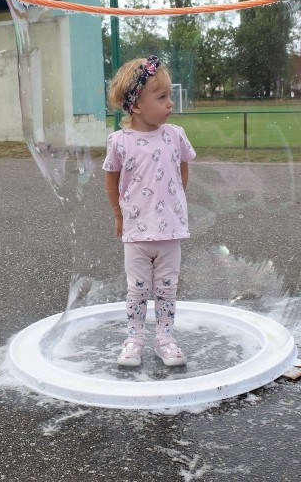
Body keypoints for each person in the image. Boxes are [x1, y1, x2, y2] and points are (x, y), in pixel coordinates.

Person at [102, 55, 196, 367]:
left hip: (169, 231)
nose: (170, 103)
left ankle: (165, 339)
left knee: (167, 291)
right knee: (137, 291)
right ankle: (134, 339)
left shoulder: (175, 134)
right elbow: (111, 179)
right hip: (137, 233)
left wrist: (175, 201)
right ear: (137, 105)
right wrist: (118, 214)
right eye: (162, 97)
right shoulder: (120, 141)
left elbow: (182, 167)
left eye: (169, 95)